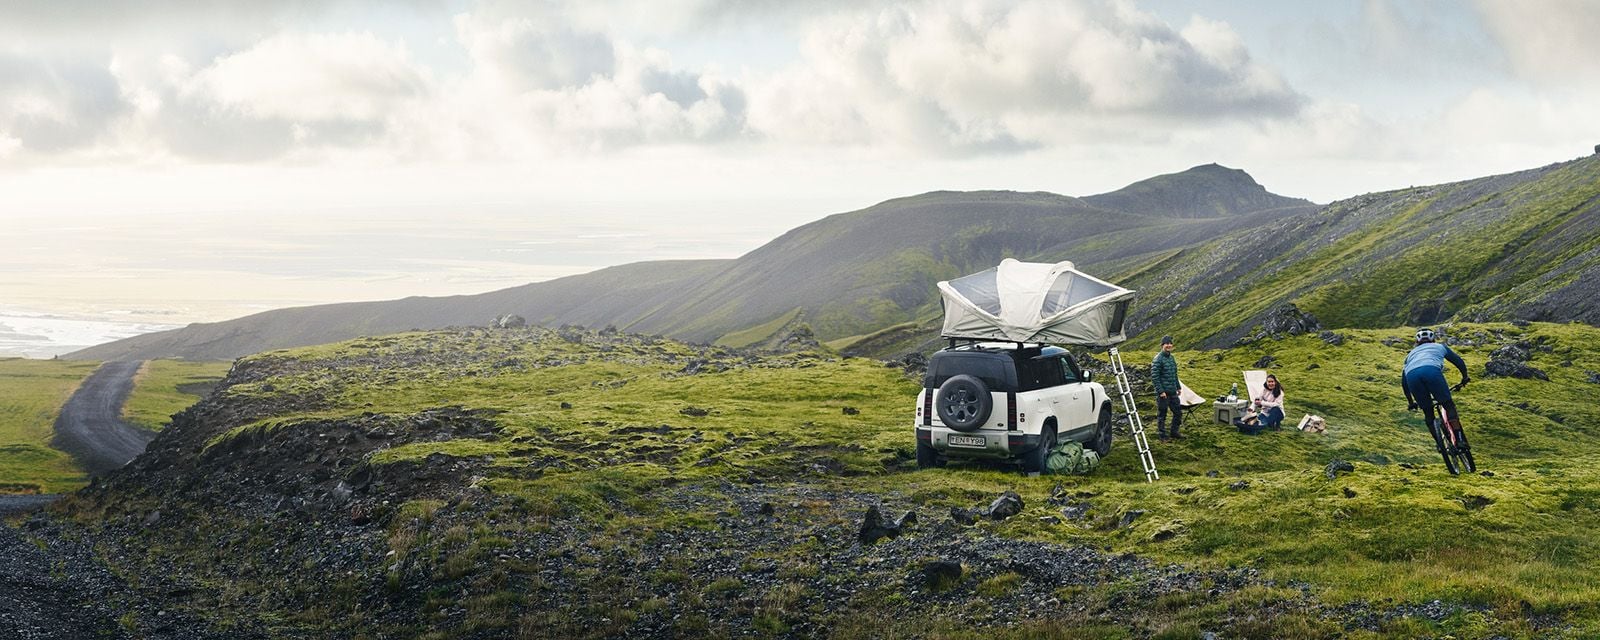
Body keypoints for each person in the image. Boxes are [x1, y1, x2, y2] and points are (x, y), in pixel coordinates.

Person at [1402, 327, 1470, 432]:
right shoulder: (1439, 346)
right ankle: (1459, 438)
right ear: (1433, 339)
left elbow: (1404, 383)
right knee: (1448, 405)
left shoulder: (1409, 356)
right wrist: (1465, 377)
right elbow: (1458, 361)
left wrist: (1411, 402)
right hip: (1431, 371)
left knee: (1428, 413)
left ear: (1417, 341)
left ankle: (1440, 445)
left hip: (1412, 376)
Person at [1151, 335, 1182, 441]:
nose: (1169, 345)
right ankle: (1162, 435)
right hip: (1163, 393)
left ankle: (1174, 432)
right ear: (1162, 345)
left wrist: (1178, 387)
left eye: (1170, 343)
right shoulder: (1158, 359)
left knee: (1178, 412)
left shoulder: (1171, 357)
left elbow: (1174, 374)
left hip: (1173, 391)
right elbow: (1155, 377)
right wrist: (1161, 391)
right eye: (1166, 344)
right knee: (1162, 415)